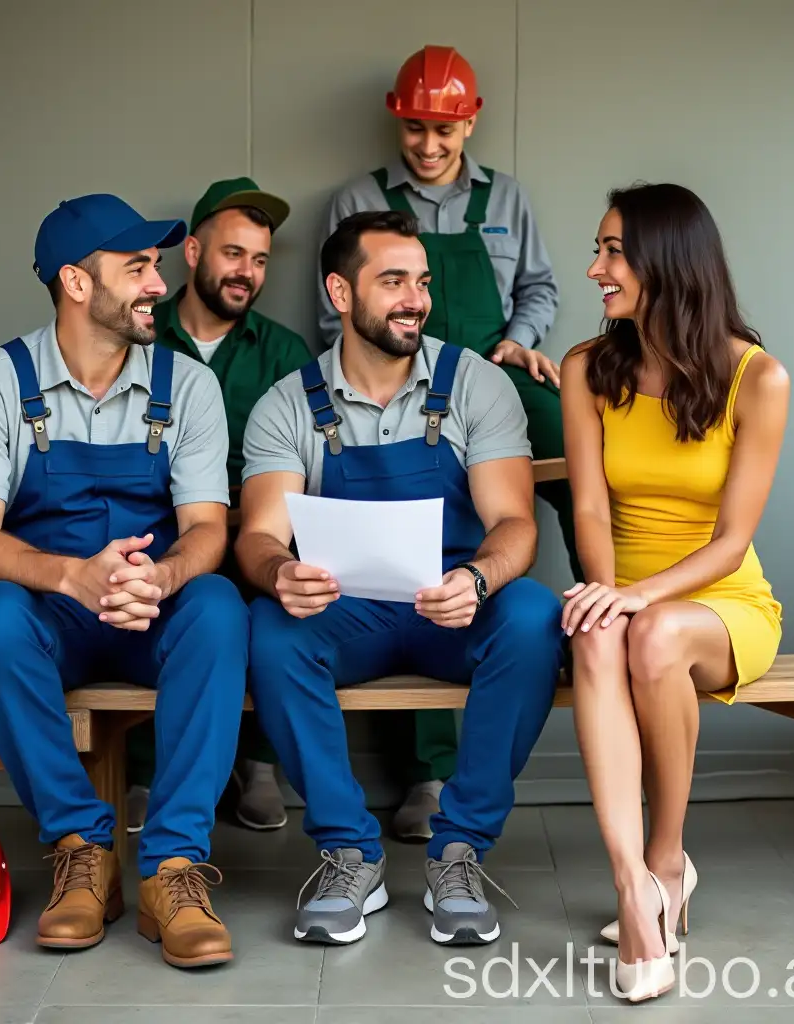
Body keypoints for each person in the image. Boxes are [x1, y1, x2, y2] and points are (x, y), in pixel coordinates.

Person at [236, 210, 565, 946]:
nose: (415, 298)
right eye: (392, 281)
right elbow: (258, 535)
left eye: (420, 281)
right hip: (345, 615)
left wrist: (478, 582)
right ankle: (349, 852)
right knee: (268, 626)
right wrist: (281, 572)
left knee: (534, 616)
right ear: (340, 293)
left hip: (450, 607)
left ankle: (460, 851)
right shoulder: (289, 402)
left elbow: (515, 523)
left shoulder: (475, 384)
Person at [0, 193, 250, 968]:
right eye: (137, 267)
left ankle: (173, 869)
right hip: (56, 614)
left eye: (156, 266)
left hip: (156, 608)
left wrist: (168, 574)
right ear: (77, 284)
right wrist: (71, 576)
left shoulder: (188, 386)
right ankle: (83, 851)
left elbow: (210, 527)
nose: (158, 284)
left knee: (217, 604)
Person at [317, 46, 581, 836]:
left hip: (488, 376)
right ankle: (427, 776)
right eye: (415, 130)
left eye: (444, 130)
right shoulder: (359, 199)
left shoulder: (509, 198)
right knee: (409, 546)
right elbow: (337, 316)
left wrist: (521, 342)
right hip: (397, 384)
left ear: (469, 122)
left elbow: (538, 288)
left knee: (578, 454)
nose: (429, 146)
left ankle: (615, 616)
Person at [559, 183, 788, 1002]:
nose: (595, 270)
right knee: (593, 632)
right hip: (626, 590)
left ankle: (668, 859)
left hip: (721, 602)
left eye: (613, 251)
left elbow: (731, 543)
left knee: (650, 634)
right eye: (600, 250)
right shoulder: (588, 368)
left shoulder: (757, 379)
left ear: (668, 260)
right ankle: (633, 890)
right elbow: (587, 505)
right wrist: (606, 592)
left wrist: (638, 600)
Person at [125, 177, 311, 835]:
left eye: (260, 261)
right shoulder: (141, 334)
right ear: (195, 253)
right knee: (156, 605)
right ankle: (146, 770)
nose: (248, 273)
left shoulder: (286, 352)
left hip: (259, 533)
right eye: (235, 255)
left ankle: (258, 764)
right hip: (165, 533)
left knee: (272, 600)